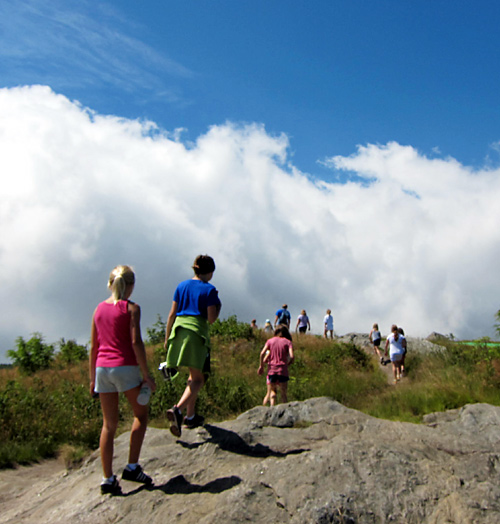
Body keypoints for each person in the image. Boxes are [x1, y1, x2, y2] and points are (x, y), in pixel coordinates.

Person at [90, 265, 156, 495]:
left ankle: (107, 479)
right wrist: (146, 375)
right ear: (131, 286)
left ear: (110, 284)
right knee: (140, 414)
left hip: (102, 369)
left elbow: (94, 346)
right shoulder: (132, 309)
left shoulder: (98, 309)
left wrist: (92, 379)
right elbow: (136, 342)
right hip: (124, 366)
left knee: (109, 424)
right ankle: (132, 466)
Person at [164, 255, 221, 437]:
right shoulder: (210, 290)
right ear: (210, 272)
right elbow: (211, 319)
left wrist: (167, 338)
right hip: (196, 334)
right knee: (199, 379)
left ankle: (191, 416)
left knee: (192, 376)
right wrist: (217, 307)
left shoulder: (181, 286)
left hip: (178, 331)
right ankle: (177, 410)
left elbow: (172, 313)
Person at [258, 326, 294, 406]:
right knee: (283, 393)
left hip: (272, 370)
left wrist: (261, 366)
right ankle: (285, 410)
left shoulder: (270, 341)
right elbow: (291, 356)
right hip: (282, 369)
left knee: (272, 391)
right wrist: (288, 363)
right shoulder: (287, 342)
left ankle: (269, 409)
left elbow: (262, 354)